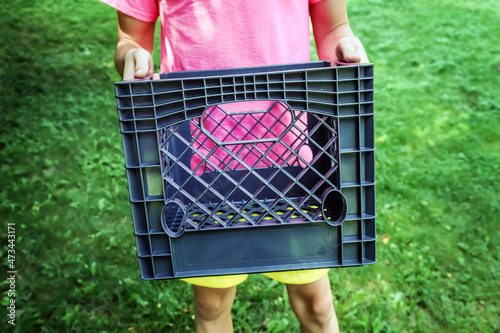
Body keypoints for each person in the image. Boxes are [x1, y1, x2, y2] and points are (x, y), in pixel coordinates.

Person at [102, 0, 369, 332]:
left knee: (316, 303)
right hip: (200, 168)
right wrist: (131, 55)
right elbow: (130, 39)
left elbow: (333, 27)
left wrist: (344, 47)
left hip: (293, 168)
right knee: (212, 305)